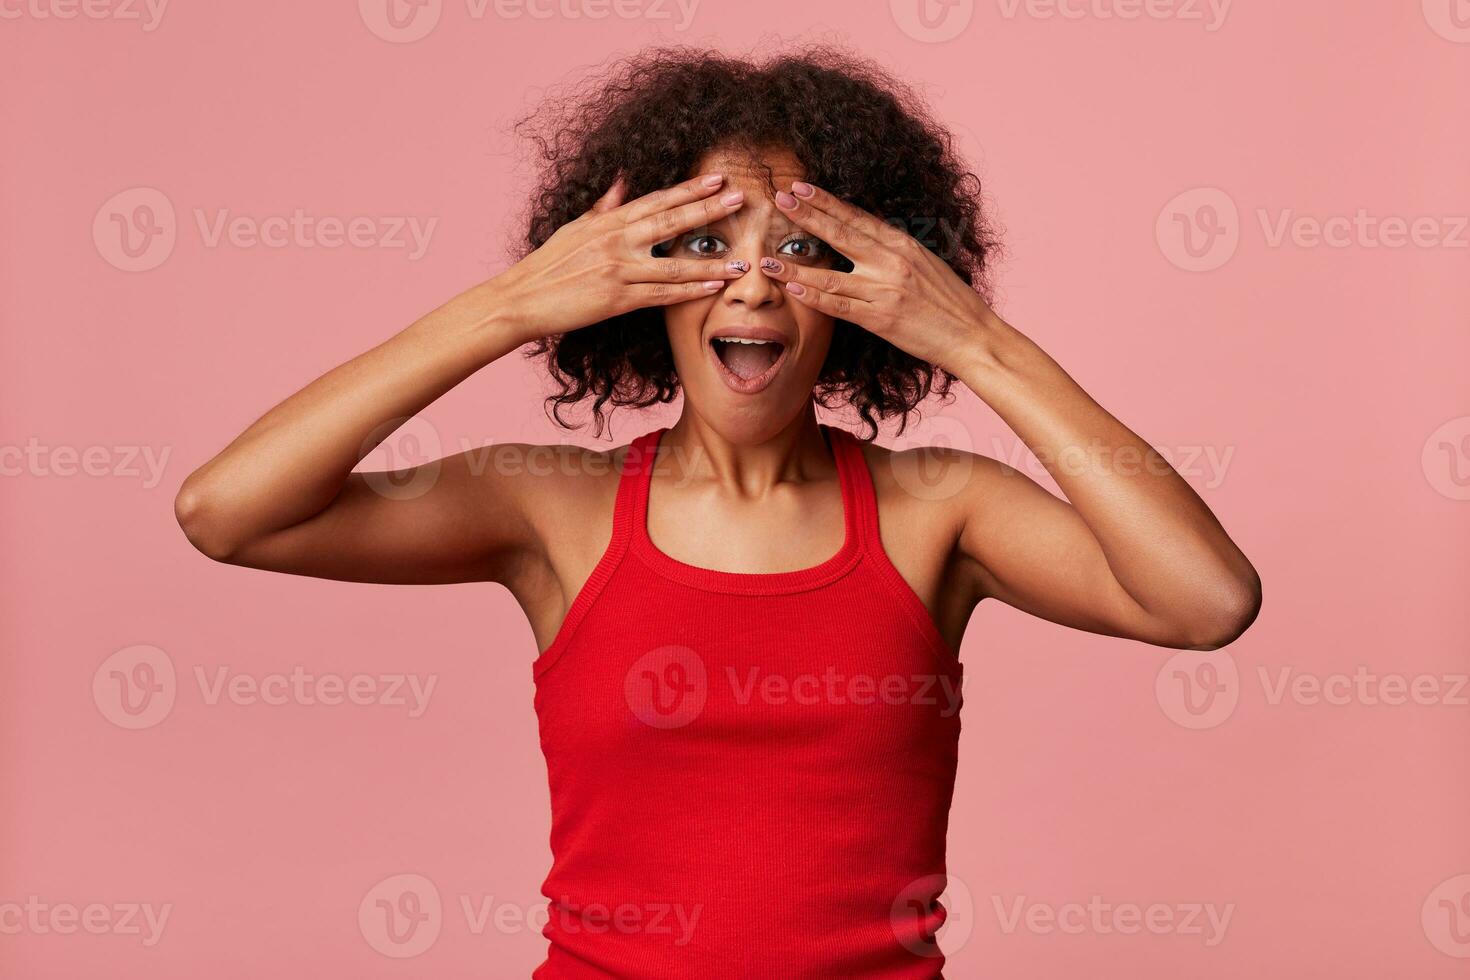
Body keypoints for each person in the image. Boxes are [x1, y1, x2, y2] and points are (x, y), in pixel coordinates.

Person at [174, 45, 1260, 979]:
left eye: (797, 248)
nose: (751, 286)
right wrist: (507, 306)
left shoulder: (941, 509)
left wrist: (975, 339)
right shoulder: (557, 507)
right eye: (704, 244)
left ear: (866, 284)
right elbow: (229, 511)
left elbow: (1205, 599)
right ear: (634, 280)